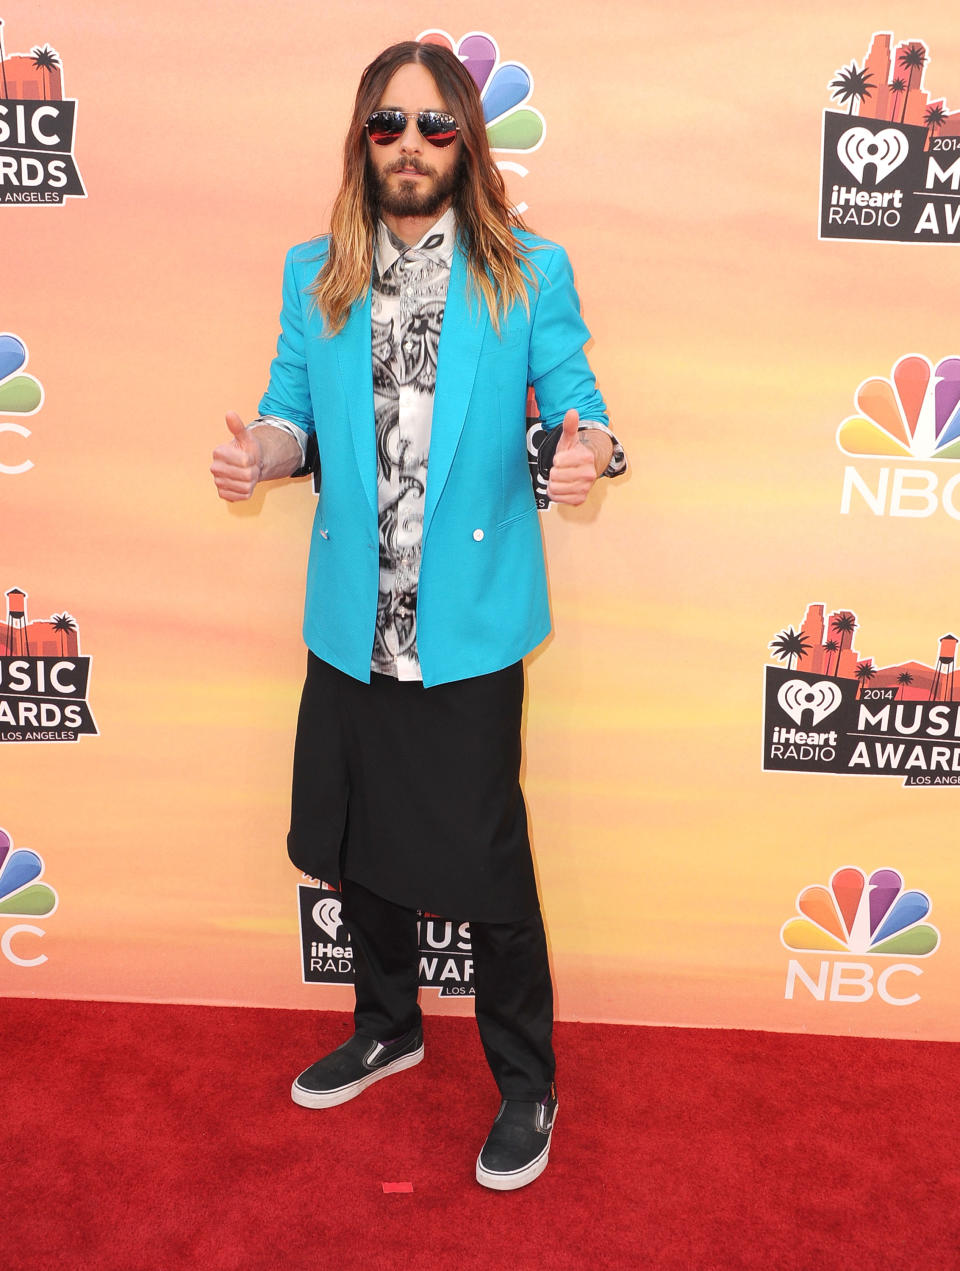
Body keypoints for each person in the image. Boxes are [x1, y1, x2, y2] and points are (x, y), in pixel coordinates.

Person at [210, 40, 625, 1191]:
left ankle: (528, 1081)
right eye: (388, 124)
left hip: (475, 623)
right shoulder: (316, 272)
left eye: (436, 126)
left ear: (466, 144)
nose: (409, 144)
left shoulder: (528, 272)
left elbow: (578, 411)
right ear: (362, 139)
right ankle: (390, 1022)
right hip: (353, 616)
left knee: (487, 858)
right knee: (361, 842)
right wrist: (262, 455)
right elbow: (288, 415)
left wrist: (580, 453)